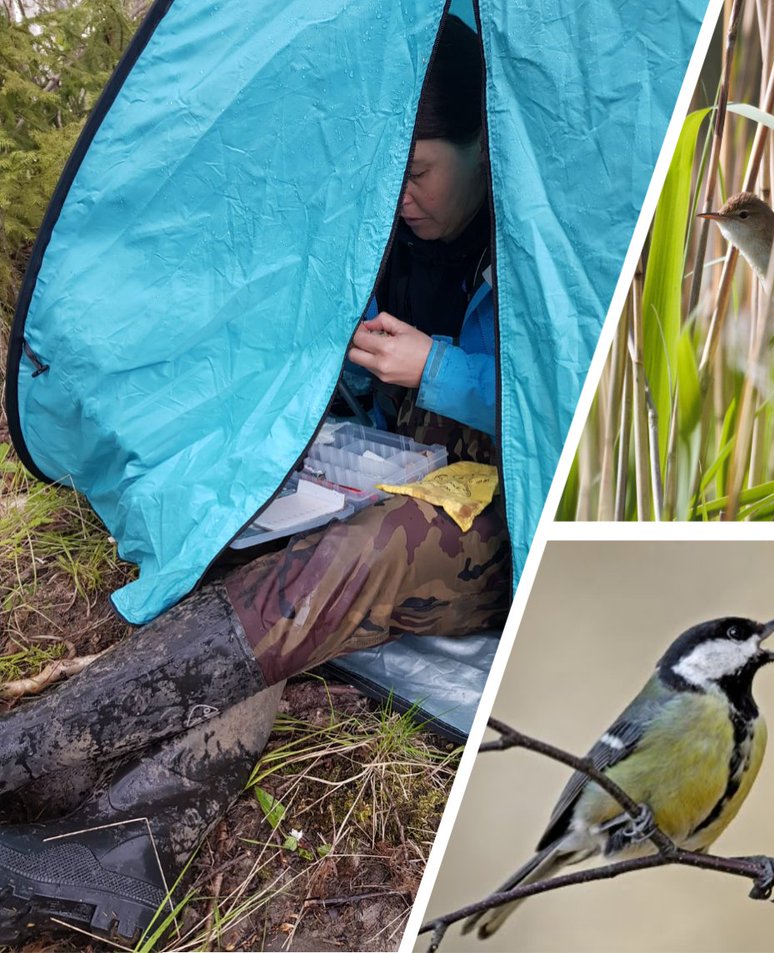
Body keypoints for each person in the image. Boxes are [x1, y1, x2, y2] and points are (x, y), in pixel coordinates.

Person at [0, 15, 508, 946]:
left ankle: (19, 760)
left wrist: (436, 368)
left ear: (485, 143)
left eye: (419, 173)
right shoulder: (376, 228)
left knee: (351, 561)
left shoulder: (530, 245)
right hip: (378, 468)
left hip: (484, 514)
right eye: (387, 173)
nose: (400, 199)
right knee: (259, 540)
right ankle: (123, 854)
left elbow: (562, 404)